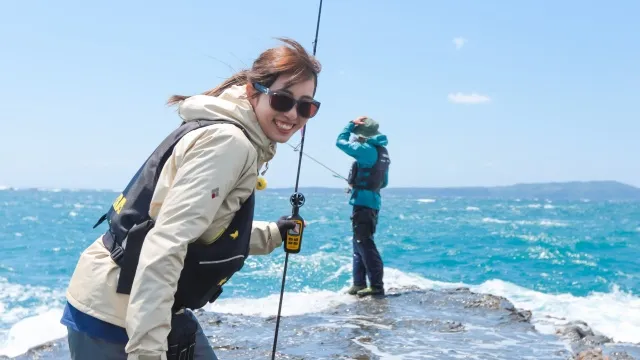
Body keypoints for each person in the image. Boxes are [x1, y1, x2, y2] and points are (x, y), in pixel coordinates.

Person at [60, 38, 322, 360]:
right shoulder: (229, 143)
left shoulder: (237, 137)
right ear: (254, 92)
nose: (293, 114)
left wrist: (272, 234)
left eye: (307, 106)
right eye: (283, 100)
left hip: (144, 299)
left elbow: (203, 228)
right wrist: (147, 353)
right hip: (113, 311)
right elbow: (166, 243)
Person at [336, 116, 390, 297]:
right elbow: (384, 183)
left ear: (362, 135)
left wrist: (350, 124)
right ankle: (359, 283)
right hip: (372, 202)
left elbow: (340, 142)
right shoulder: (382, 151)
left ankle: (376, 286)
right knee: (358, 242)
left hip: (363, 203)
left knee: (365, 243)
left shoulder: (366, 149)